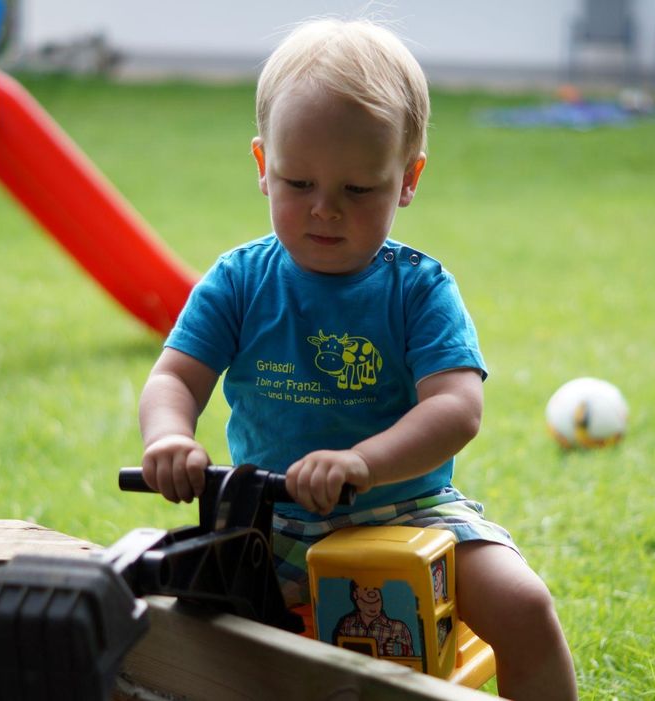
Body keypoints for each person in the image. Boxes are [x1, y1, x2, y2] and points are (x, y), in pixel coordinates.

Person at [138, 18, 578, 701]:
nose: (325, 210)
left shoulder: (417, 288)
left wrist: (362, 463)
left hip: (408, 511)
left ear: (407, 179)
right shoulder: (238, 281)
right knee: (165, 616)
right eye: (298, 181)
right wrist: (168, 435)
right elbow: (175, 376)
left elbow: (456, 407)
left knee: (523, 607)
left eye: (358, 189)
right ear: (262, 167)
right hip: (266, 522)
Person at [331, 583, 415, 658]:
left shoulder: (399, 628)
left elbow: (412, 662)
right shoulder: (347, 624)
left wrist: (400, 650)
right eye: (365, 589)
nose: (372, 594)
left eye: (375, 588)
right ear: (355, 595)